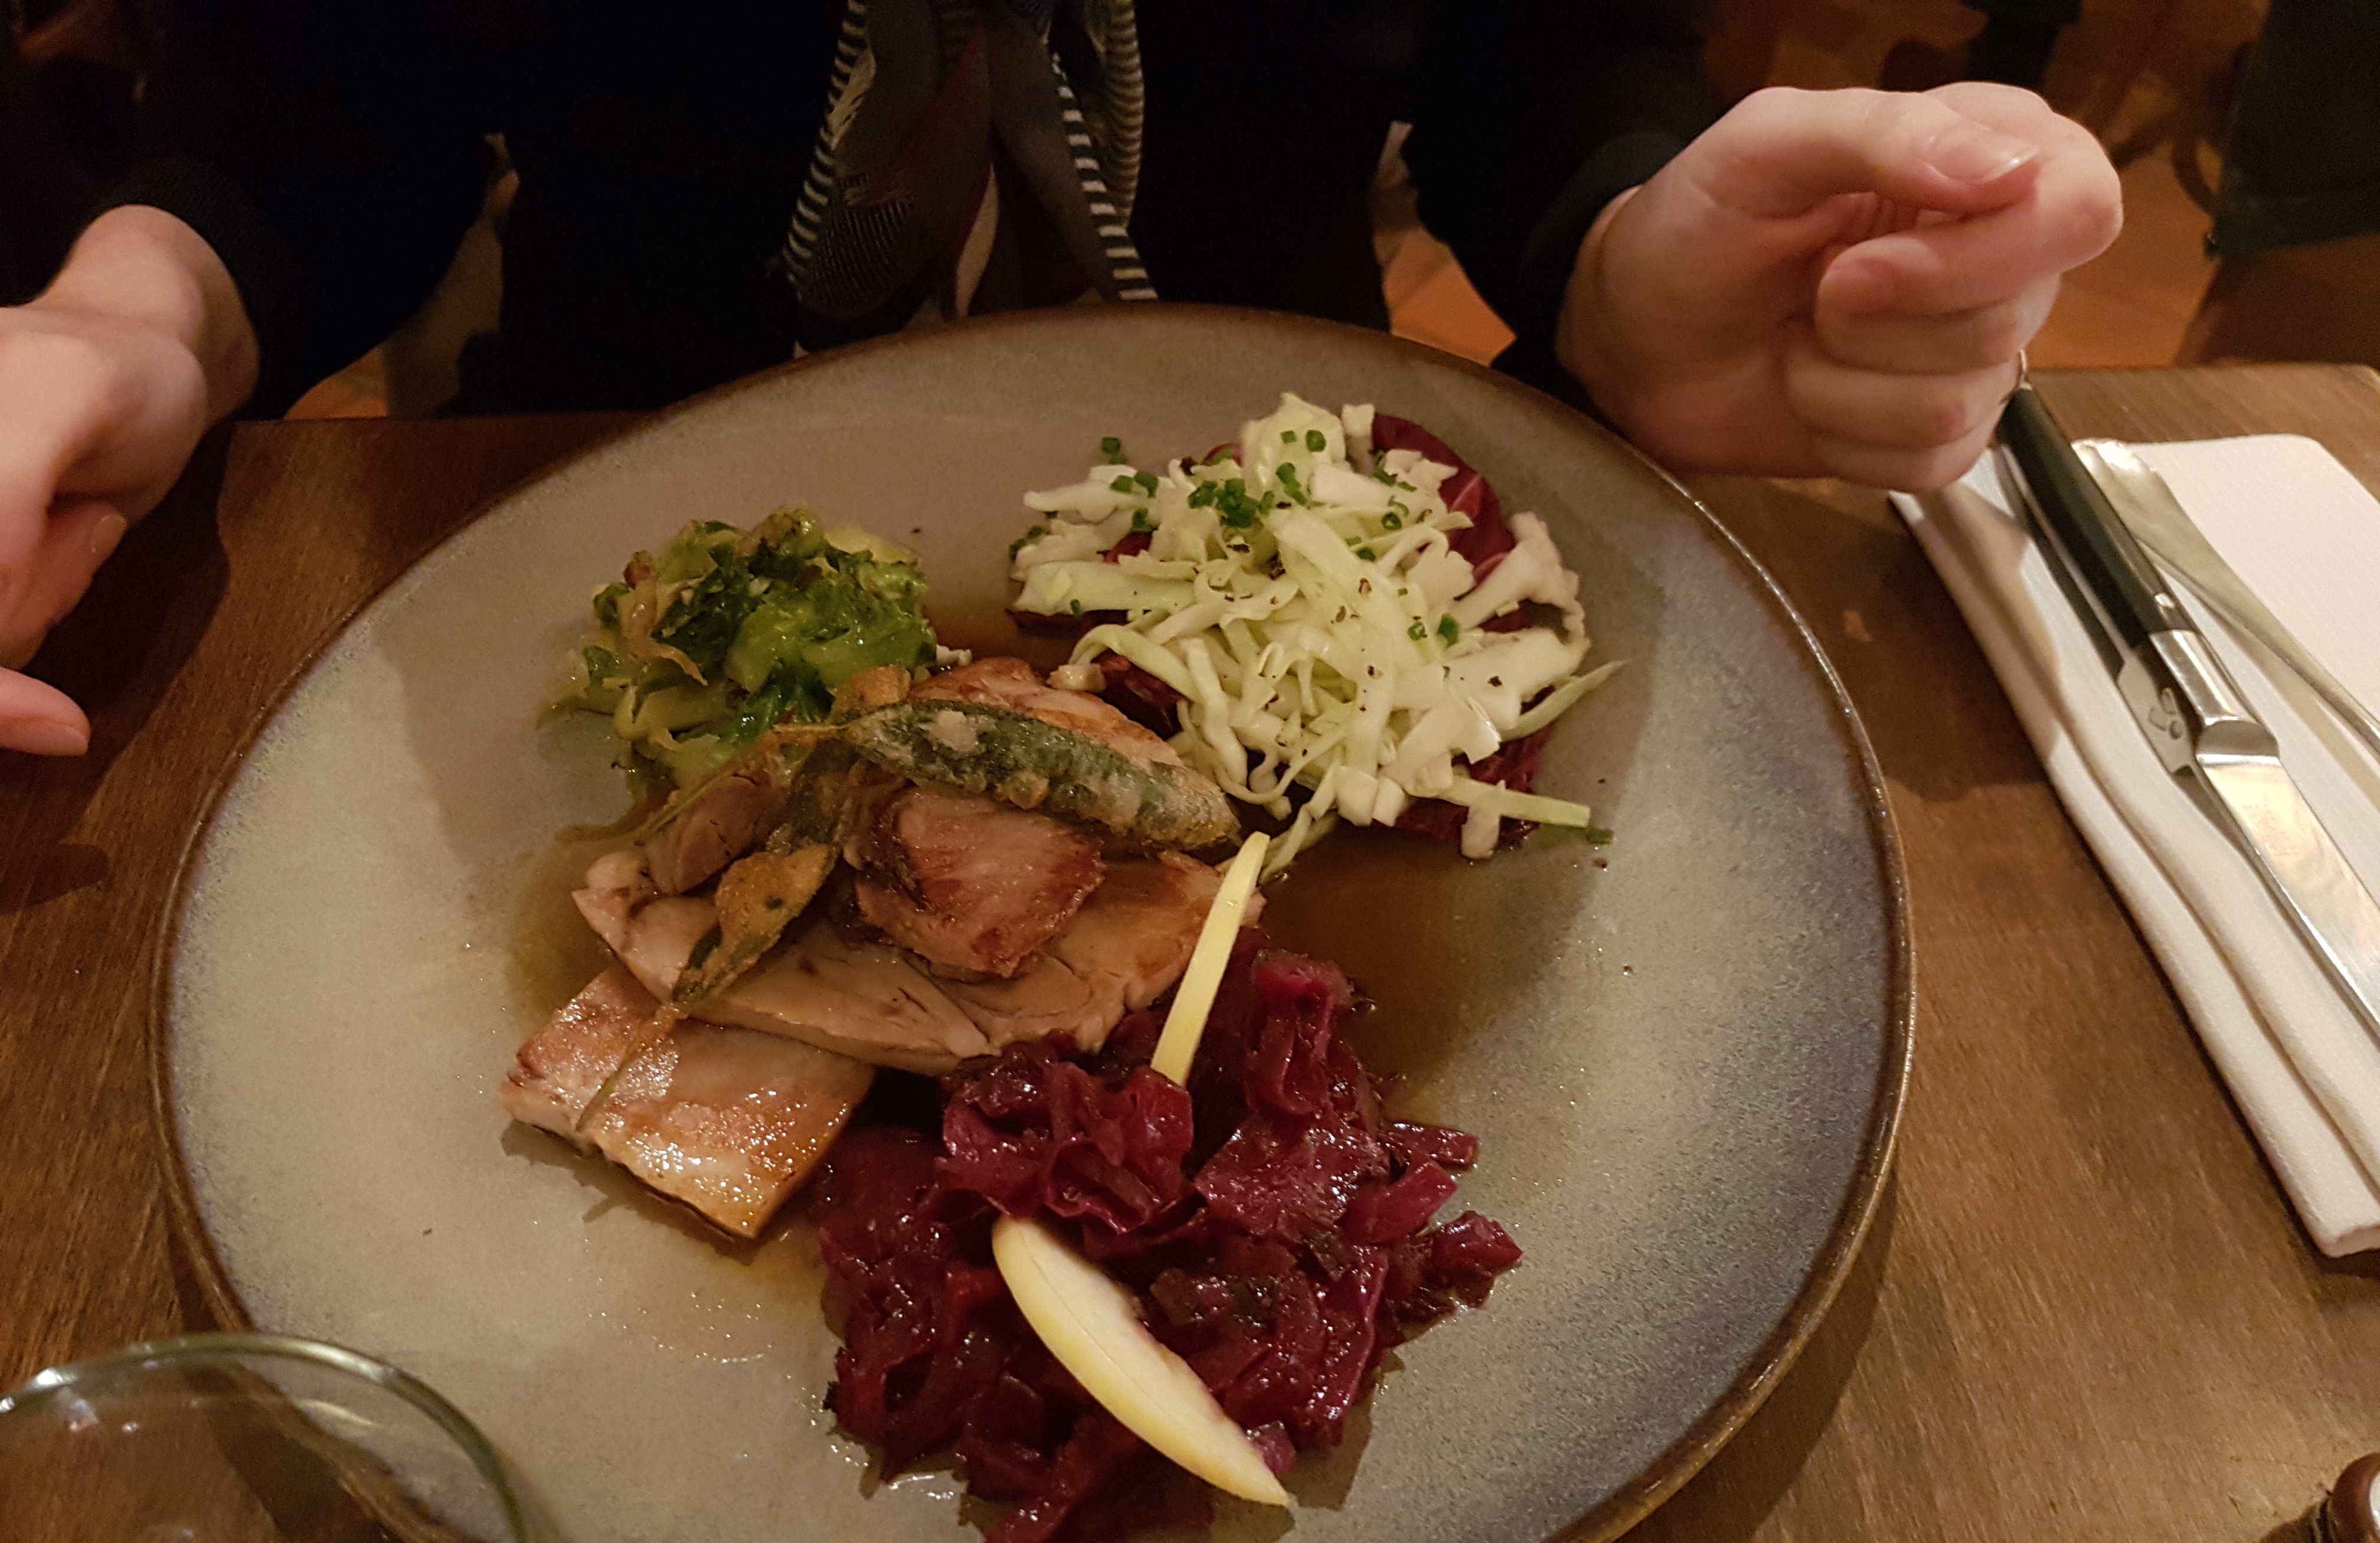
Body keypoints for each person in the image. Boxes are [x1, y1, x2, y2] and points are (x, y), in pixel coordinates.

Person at [0, 1, 2121, 759]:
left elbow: (1545, 60)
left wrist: (1621, 247)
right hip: (591, 511)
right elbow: (323, 101)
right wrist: (131, 314)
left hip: (1294, 556)